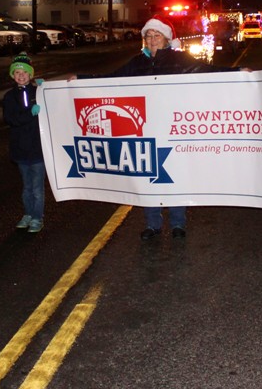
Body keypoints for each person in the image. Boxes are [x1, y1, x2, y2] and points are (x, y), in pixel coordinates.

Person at [67, 15, 249, 241]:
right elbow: (111, 79)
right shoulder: (137, 63)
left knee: (175, 175)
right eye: (148, 36)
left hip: (173, 128)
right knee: (149, 177)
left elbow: (206, 71)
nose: (152, 40)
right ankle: (153, 224)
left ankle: (178, 223)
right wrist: (82, 79)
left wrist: (239, 72)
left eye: (157, 36)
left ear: (166, 39)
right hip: (146, 129)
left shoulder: (180, 59)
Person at [2, 52, 46, 233]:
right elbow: (10, 119)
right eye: (17, 73)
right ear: (13, 75)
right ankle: (28, 213)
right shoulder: (9, 97)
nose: (21, 76)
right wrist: (29, 113)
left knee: (37, 188)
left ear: (31, 74)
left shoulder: (37, 92)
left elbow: (56, 104)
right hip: (20, 148)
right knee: (27, 187)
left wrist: (46, 89)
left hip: (37, 149)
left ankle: (37, 217)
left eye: (25, 72)